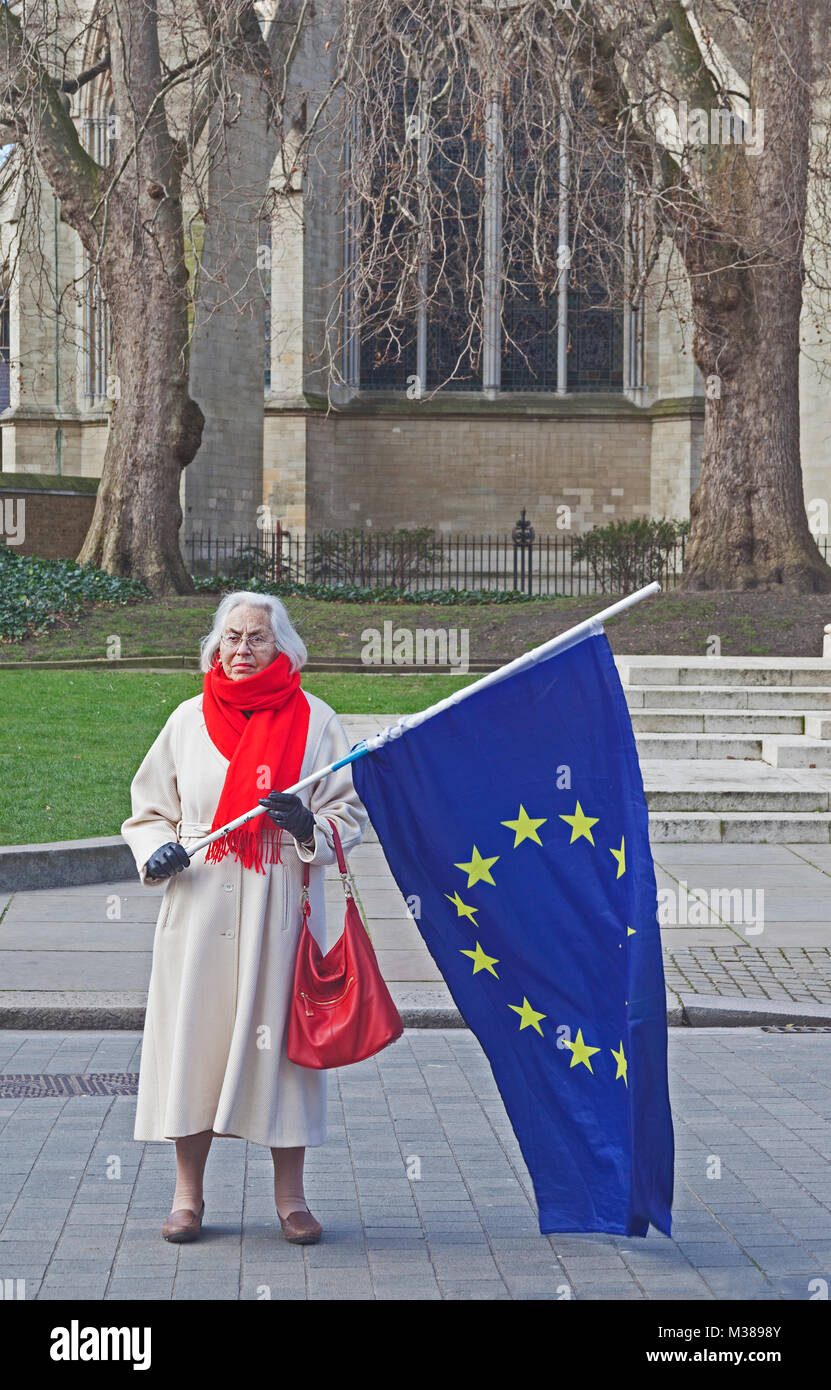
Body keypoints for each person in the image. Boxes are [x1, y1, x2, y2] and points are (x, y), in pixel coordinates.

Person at [121, 591, 369, 1246]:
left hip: (277, 906)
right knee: (193, 1047)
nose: (241, 650)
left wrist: (306, 824)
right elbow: (149, 809)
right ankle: (187, 1197)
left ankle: (291, 1200)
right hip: (199, 904)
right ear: (214, 646)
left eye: (255, 638)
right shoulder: (186, 720)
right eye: (230, 638)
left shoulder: (316, 721)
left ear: (280, 647)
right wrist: (159, 851)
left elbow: (349, 814)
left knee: (282, 1056)